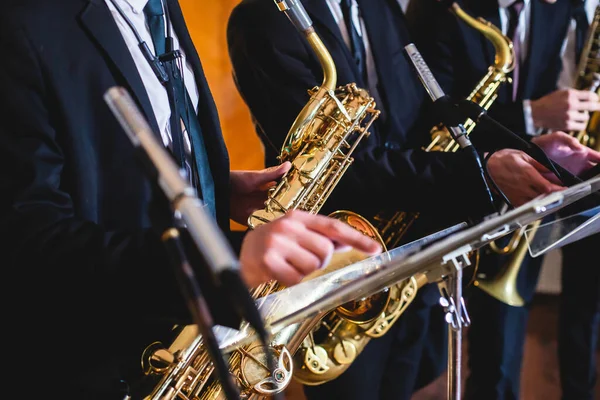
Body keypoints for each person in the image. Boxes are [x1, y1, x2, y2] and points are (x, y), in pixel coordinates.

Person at [0, 0, 385, 398]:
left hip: (192, 344)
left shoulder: (163, 8)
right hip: (101, 367)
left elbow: (109, 154)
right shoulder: (21, 24)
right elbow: (32, 244)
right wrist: (224, 262)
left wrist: (212, 187)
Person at [226, 0, 600, 399]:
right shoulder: (264, 17)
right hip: (339, 266)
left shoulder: (379, 7)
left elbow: (425, 122)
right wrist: (484, 170)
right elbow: (343, 167)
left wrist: (521, 148)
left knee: (408, 382)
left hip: (409, 249)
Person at [407, 0, 600, 398]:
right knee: (425, 361)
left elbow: (541, 79)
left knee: (503, 358)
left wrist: (545, 140)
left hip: (525, 200)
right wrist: (530, 115)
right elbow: (429, 124)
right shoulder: (440, 11)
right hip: (452, 200)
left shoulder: (553, 8)